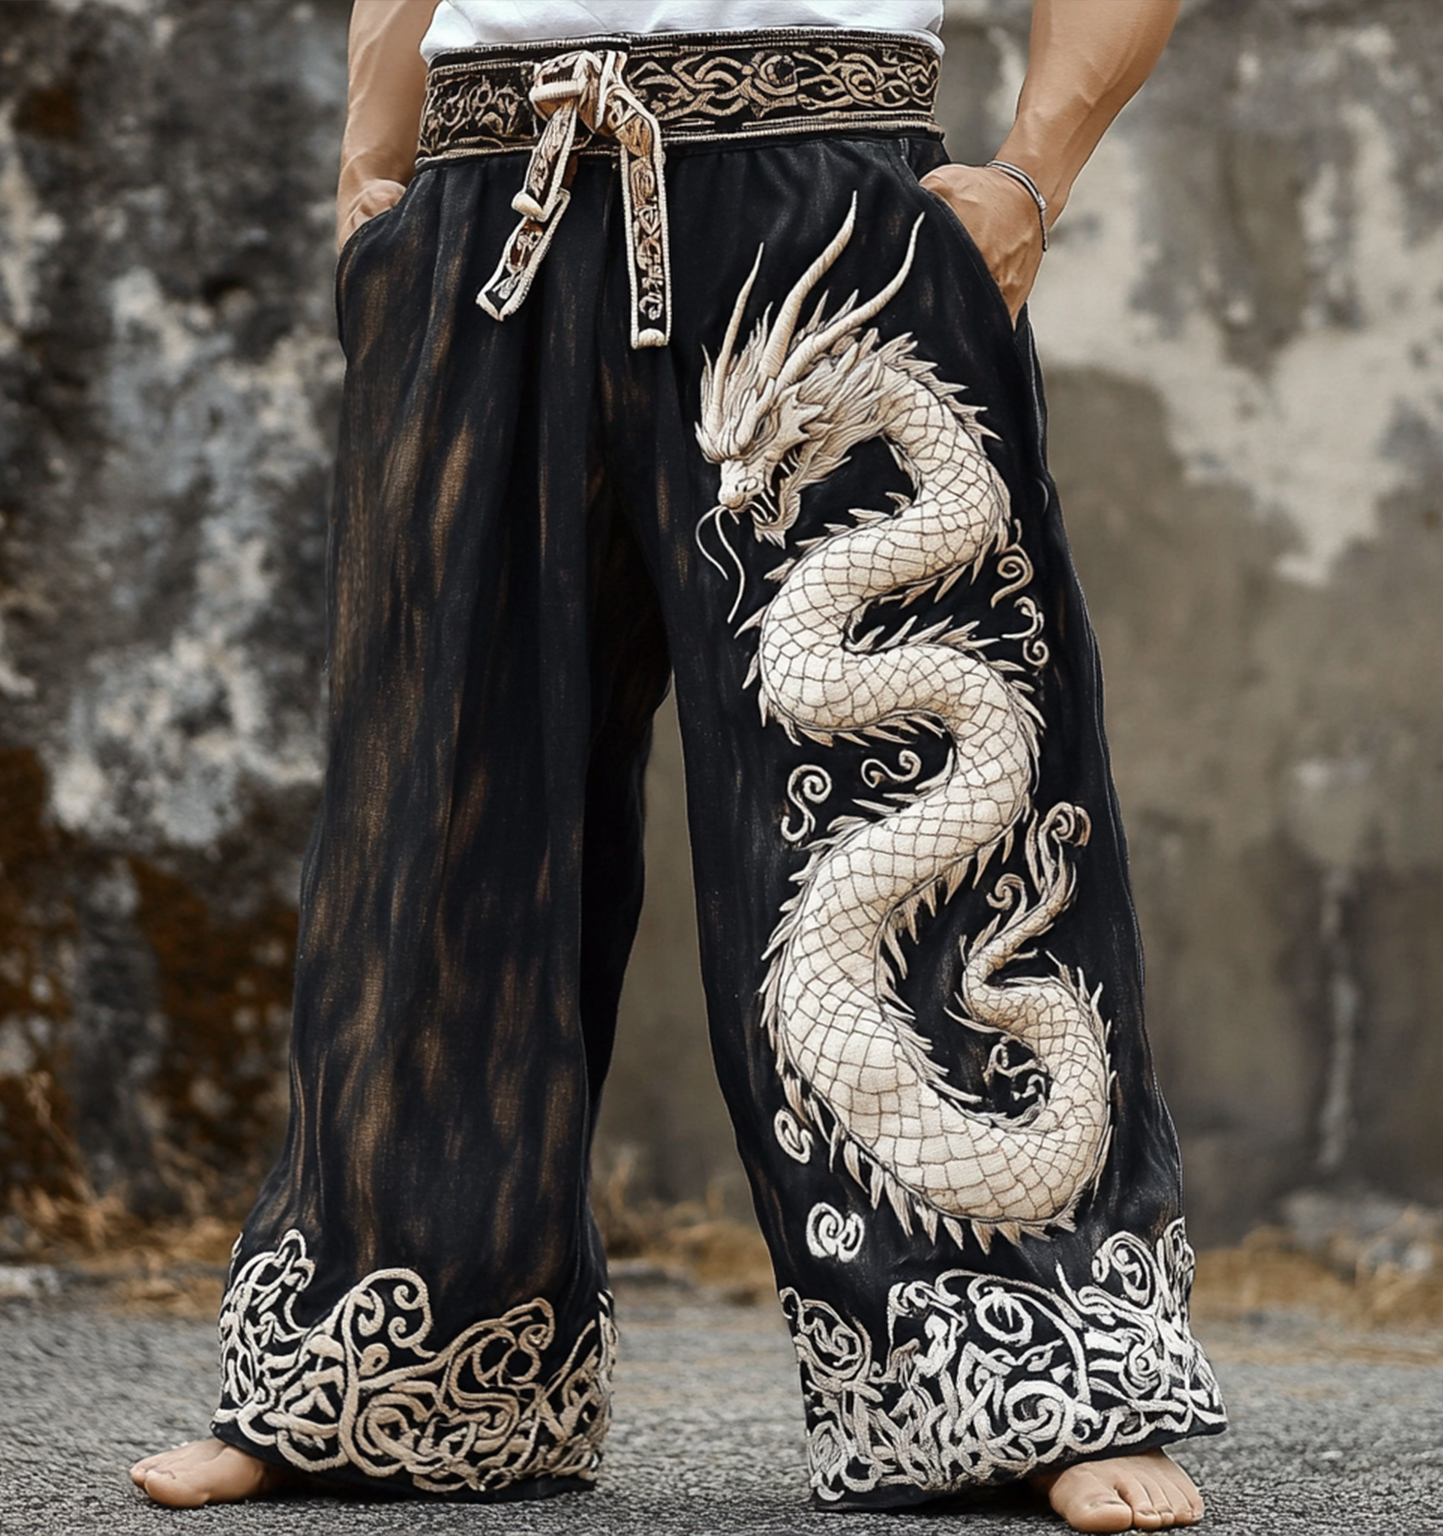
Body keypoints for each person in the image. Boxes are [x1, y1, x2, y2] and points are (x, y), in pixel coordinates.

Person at [131, 2, 1224, 1529]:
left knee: (914, 778)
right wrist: (371, 182)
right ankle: (381, 1369)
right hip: (488, 192)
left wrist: (1029, 179)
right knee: (434, 815)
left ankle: (1031, 1368)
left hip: (816, 201)